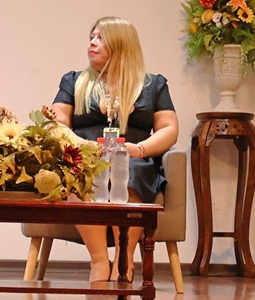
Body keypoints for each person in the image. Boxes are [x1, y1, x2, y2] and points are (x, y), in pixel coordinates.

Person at [51, 16, 179, 282]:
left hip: (134, 157)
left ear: (121, 44)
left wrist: (139, 149)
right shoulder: (73, 81)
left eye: (100, 38)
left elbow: (169, 128)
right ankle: (99, 260)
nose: (92, 43)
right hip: (87, 156)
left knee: (131, 172)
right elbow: (56, 124)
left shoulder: (153, 85)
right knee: (81, 172)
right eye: (91, 37)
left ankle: (125, 257)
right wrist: (82, 146)